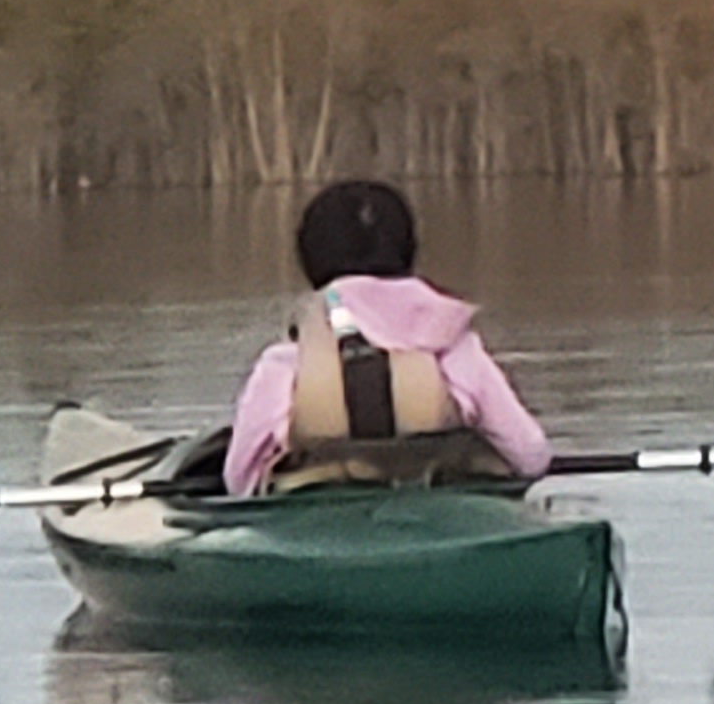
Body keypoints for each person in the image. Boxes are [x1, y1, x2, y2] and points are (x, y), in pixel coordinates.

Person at [221, 179, 553, 495]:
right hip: (440, 516)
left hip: (316, 525)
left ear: (311, 259)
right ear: (407, 249)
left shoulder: (286, 362)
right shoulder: (454, 348)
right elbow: (532, 457)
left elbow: (238, 479)